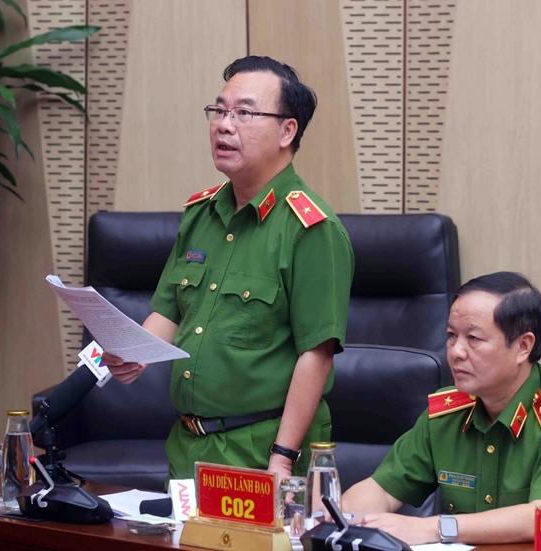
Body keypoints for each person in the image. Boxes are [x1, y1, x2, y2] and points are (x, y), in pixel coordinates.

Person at [102, 56, 354, 483]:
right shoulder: (200, 214)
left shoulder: (311, 230)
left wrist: (282, 458)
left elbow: (317, 356)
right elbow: (170, 309)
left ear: (287, 131)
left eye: (244, 113)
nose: (223, 125)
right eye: (218, 110)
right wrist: (135, 353)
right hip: (188, 444)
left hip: (260, 449)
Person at [342, 271, 541, 545]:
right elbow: (382, 491)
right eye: (451, 335)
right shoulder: (447, 413)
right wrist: (339, 516)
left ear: (523, 346)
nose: (456, 351)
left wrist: (435, 527)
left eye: (473, 338)